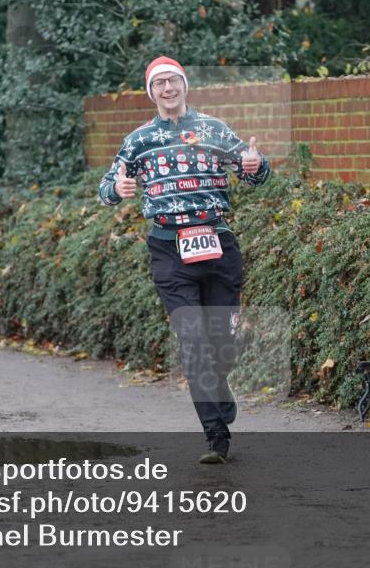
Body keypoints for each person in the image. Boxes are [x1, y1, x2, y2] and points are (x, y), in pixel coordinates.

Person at [98, 56, 271, 464]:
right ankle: (216, 438)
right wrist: (117, 188)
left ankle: (221, 386)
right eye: (159, 84)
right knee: (193, 342)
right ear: (151, 92)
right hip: (168, 249)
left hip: (218, 245)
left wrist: (255, 164)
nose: (168, 89)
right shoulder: (139, 139)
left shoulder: (213, 129)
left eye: (173, 81)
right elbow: (107, 186)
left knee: (220, 343)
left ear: (185, 85)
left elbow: (255, 174)